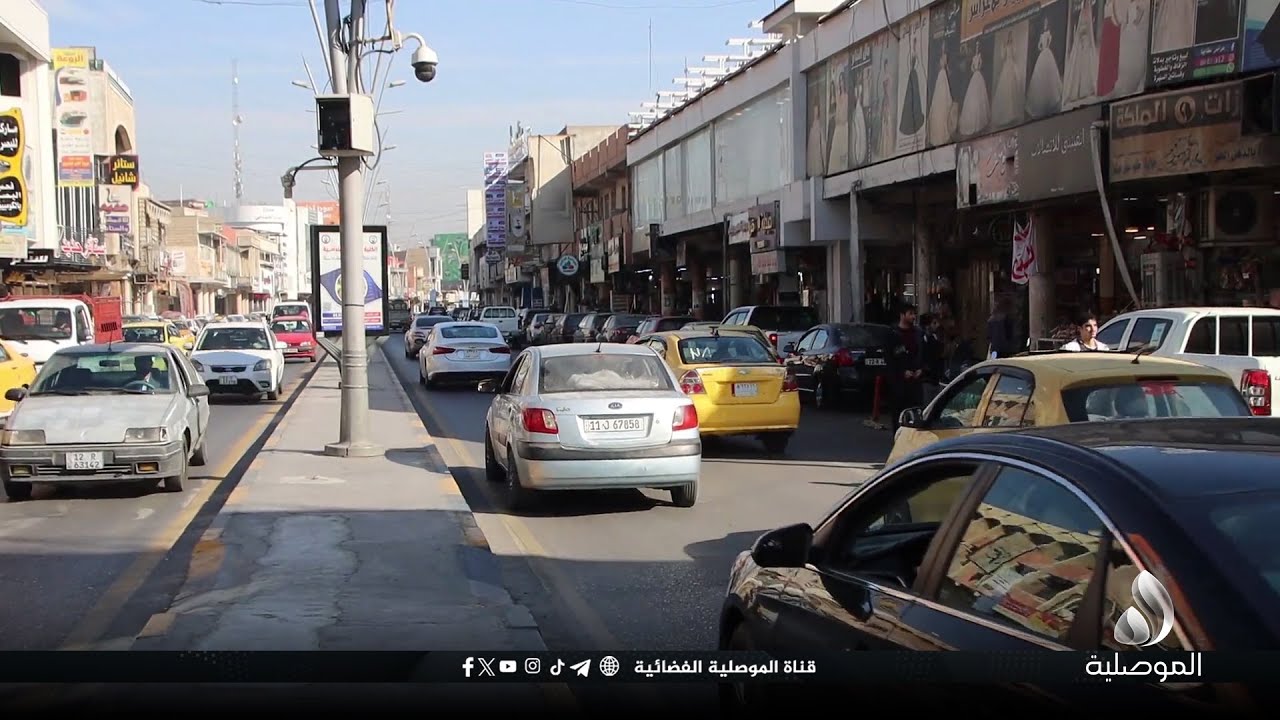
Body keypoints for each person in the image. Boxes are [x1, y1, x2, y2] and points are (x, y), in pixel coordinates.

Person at [885, 303, 925, 430]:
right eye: (910, 314)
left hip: (916, 382)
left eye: (914, 314)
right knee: (898, 414)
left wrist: (921, 369)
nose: (913, 317)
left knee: (915, 412)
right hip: (899, 383)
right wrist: (902, 372)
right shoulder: (893, 333)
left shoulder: (918, 333)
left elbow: (923, 353)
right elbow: (889, 358)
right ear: (902, 315)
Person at [920, 313, 946, 405]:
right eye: (934, 323)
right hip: (926, 379)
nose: (937, 325)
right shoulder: (921, 339)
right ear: (927, 326)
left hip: (936, 379)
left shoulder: (935, 338)